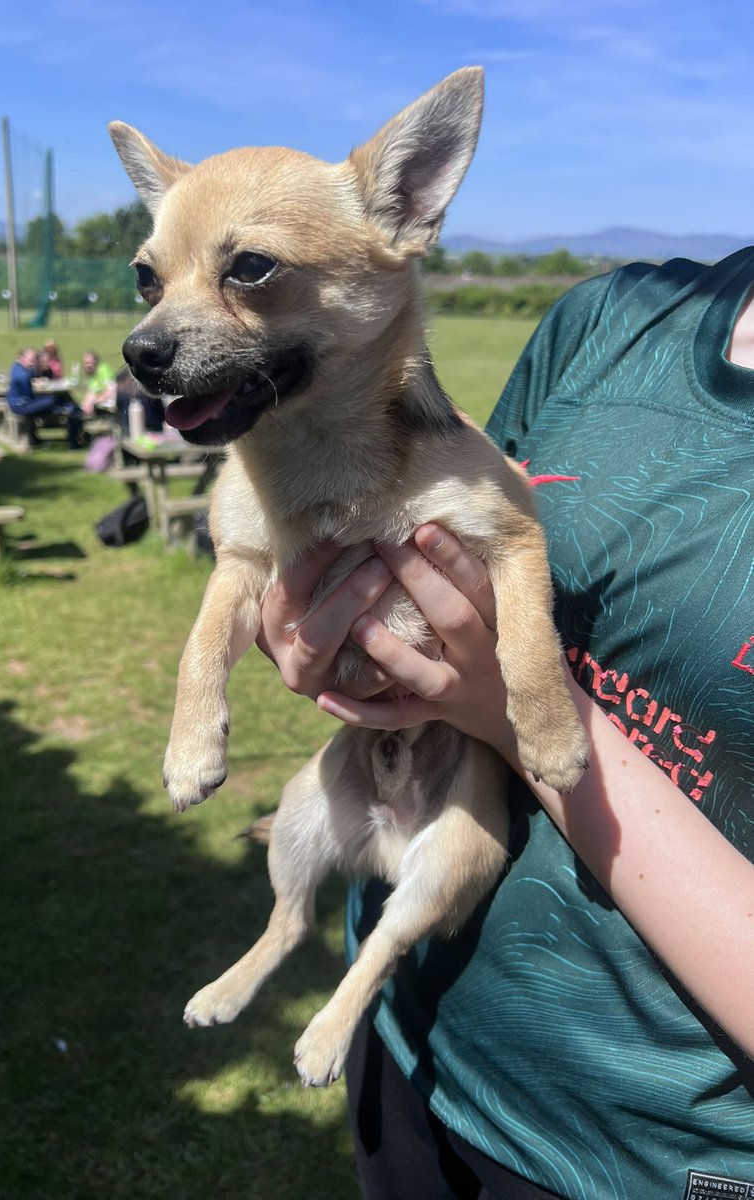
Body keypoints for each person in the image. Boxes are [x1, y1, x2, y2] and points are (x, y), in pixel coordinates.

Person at [257, 248, 754, 1199]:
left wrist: (510, 704)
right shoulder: (613, 318)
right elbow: (465, 540)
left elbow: (498, 679)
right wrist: (334, 620)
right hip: (411, 1030)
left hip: (632, 1158)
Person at [6, 347, 83, 449]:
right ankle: (74, 439)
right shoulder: (21, 372)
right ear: (22, 359)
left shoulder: (19, 368)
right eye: (31, 360)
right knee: (55, 401)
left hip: (25, 403)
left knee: (61, 402)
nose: (33, 363)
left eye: (34, 360)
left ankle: (73, 419)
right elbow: (26, 378)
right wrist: (38, 369)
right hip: (20, 405)